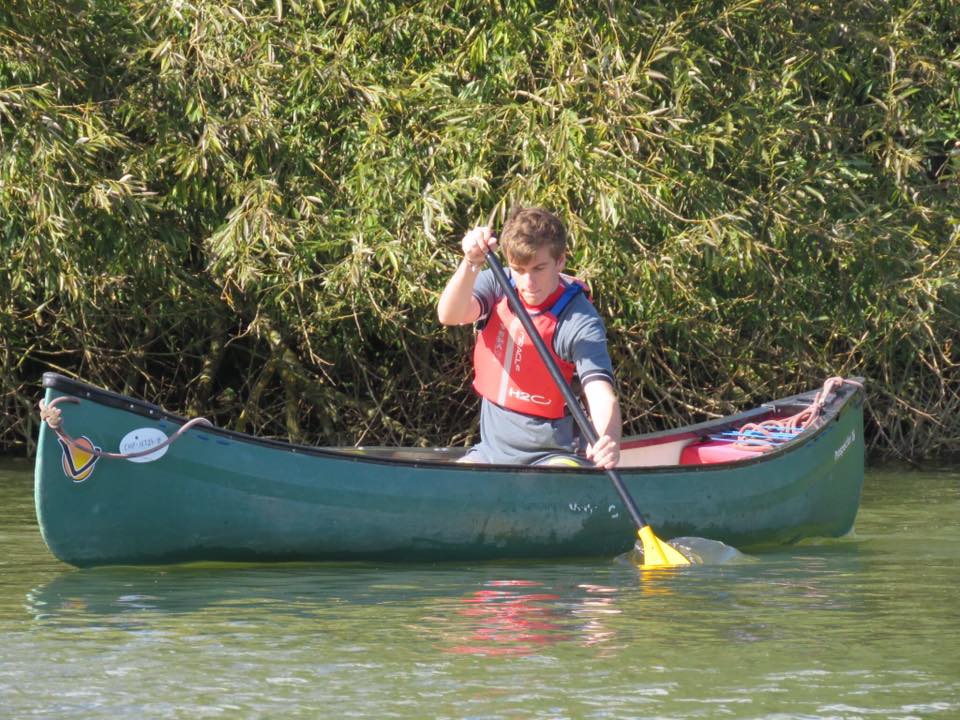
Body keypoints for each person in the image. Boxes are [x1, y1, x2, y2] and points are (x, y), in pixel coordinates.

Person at [437, 207, 621, 468]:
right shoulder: (498, 284)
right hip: (490, 453)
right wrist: (470, 263)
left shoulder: (579, 320)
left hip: (555, 457)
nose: (528, 282)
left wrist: (608, 438)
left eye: (539, 268)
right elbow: (449, 314)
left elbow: (600, 392)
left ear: (560, 261)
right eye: (519, 269)